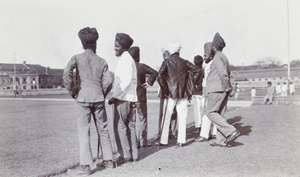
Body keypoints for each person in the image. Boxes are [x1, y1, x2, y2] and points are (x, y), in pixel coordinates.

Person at [64, 27, 115, 175]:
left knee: (84, 132)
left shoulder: (76, 58)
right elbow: (108, 81)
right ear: (95, 44)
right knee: (103, 130)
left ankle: (85, 167)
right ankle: (109, 161)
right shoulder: (102, 61)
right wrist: (102, 93)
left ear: (82, 43)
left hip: (83, 99)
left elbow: (67, 72)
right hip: (98, 98)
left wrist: (73, 90)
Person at [157, 41, 200, 147]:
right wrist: (190, 83)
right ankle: (181, 140)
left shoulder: (167, 62)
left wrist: (165, 89)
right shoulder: (184, 62)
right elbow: (198, 71)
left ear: (170, 51)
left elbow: (160, 76)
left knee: (167, 116)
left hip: (171, 94)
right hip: (183, 93)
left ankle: (163, 140)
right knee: (182, 116)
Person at [108, 33, 138, 164]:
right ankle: (134, 155)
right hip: (130, 98)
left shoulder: (125, 59)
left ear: (123, 47)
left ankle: (125, 155)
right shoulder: (128, 58)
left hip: (123, 98)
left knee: (120, 127)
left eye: (117, 46)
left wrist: (114, 96)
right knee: (130, 127)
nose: (115, 48)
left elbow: (124, 81)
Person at [205, 33, 240, 147]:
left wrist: (227, 88)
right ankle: (220, 140)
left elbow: (223, 74)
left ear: (214, 47)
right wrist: (229, 89)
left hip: (217, 89)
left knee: (210, 112)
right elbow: (229, 75)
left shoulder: (217, 57)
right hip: (223, 90)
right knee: (220, 114)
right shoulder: (224, 57)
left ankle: (231, 131)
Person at [127, 46, 158, 148]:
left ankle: (134, 143)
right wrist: (149, 83)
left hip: (130, 97)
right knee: (142, 119)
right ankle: (143, 142)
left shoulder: (127, 66)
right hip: (141, 97)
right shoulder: (142, 66)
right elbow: (154, 72)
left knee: (132, 121)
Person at [194, 42, 217, 142]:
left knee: (206, 113)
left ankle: (204, 135)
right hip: (214, 91)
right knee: (215, 112)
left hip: (209, 91)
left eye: (206, 56)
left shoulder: (209, 66)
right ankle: (214, 132)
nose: (204, 58)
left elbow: (206, 81)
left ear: (211, 55)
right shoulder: (214, 63)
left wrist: (205, 93)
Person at [154, 50, 178, 141]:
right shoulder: (171, 64)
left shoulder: (167, 64)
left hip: (168, 92)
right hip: (169, 92)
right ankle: (168, 131)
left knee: (169, 113)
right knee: (169, 113)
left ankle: (168, 131)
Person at [191, 55, 205, 133]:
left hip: (195, 92)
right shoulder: (203, 70)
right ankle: (203, 125)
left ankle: (198, 126)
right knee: (203, 109)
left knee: (197, 110)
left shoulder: (192, 71)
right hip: (202, 92)